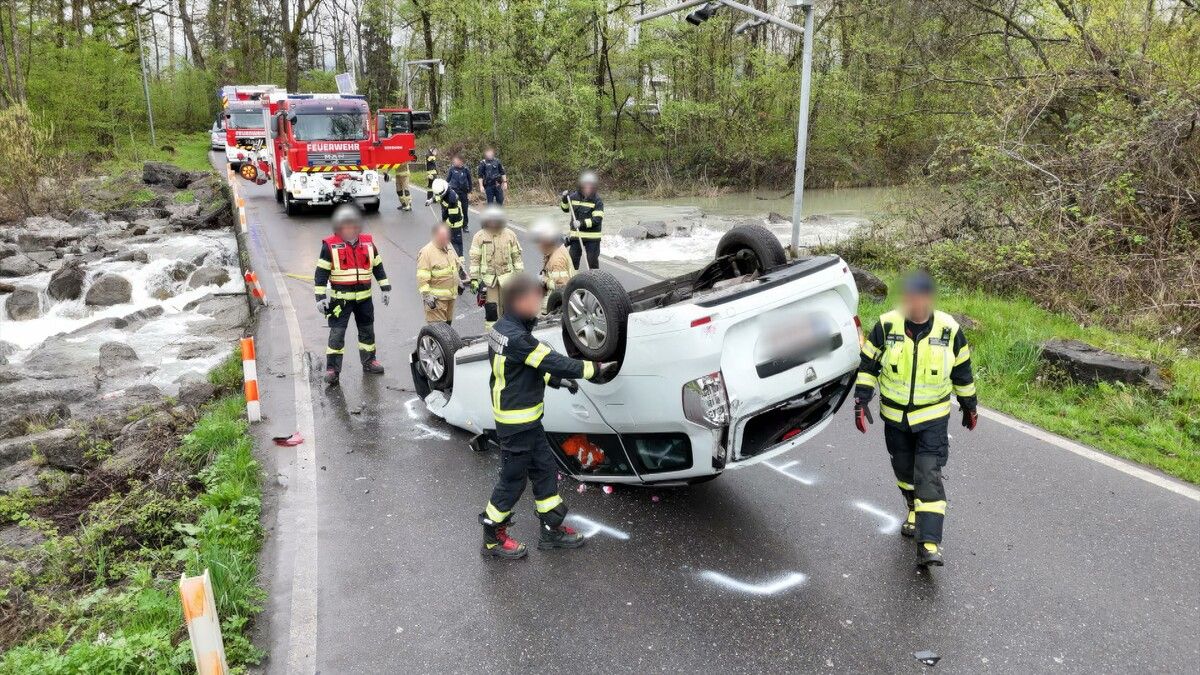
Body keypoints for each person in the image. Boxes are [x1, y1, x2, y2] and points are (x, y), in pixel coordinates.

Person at [479, 274, 619, 559]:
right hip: (516, 423)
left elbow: (524, 367)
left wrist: (556, 381)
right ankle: (493, 537)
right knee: (513, 480)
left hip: (526, 421)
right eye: (534, 301)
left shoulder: (504, 328)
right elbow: (549, 360)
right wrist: (593, 369)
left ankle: (551, 530)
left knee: (544, 470)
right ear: (518, 302)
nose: (539, 307)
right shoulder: (517, 338)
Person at [853, 270, 977, 567]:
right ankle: (912, 508)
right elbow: (868, 365)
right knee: (904, 471)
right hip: (895, 418)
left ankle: (929, 543)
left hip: (933, 418)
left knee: (928, 475)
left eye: (920, 298)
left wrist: (969, 405)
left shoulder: (949, 330)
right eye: (910, 298)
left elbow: (962, 370)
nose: (915, 304)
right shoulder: (887, 325)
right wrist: (861, 400)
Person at [313, 204, 390, 385]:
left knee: (367, 332)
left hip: (364, 300)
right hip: (340, 301)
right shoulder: (330, 246)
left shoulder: (368, 243)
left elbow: (378, 266)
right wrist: (320, 298)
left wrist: (385, 288)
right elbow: (321, 274)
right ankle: (332, 370)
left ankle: (369, 362)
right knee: (337, 335)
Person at [469, 205, 524, 331]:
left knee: (510, 311)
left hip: (508, 280)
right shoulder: (479, 237)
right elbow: (475, 259)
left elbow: (517, 258)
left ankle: (511, 336)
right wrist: (474, 279)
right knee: (491, 312)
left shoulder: (510, 235)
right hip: (489, 282)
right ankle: (492, 336)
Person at [416, 223, 463, 324]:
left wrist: (458, 281)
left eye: (447, 237)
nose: (446, 240)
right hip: (436, 301)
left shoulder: (448, 247)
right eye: (443, 238)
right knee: (439, 330)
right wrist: (427, 295)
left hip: (450, 298)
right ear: (435, 236)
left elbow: (454, 266)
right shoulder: (426, 253)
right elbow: (422, 277)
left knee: (448, 328)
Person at [561, 171, 604, 270]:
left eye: (590, 185)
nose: (587, 187)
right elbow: (565, 209)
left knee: (592, 261)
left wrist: (581, 223)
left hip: (592, 238)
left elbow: (597, 219)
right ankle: (574, 278)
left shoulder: (597, 200)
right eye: (585, 184)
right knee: (572, 261)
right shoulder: (573, 196)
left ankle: (594, 278)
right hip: (576, 236)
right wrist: (564, 199)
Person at [531, 219, 574, 315]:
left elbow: (561, 287)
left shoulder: (556, 260)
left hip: (558, 302)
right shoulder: (555, 249)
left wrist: (544, 280)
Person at [426, 178, 466, 256]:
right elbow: (438, 197)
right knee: (447, 241)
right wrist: (431, 200)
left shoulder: (452, 198)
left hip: (455, 224)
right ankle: (448, 257)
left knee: (455, 244)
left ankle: (459, 261)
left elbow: (453, 217)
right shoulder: (442, 191)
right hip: (448, 219)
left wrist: (444, 226)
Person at [447, 154, 473, 230]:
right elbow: (447, 180)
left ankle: (465, 225)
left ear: (460, 161)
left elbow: (470, 181)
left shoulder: (466, 170)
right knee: (454, 209)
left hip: (464, 193)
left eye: (456, 161)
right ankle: (453, 224)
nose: (454, 162)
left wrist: (470, 192)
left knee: (465, 209)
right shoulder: (452, 169)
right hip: (454, 193)